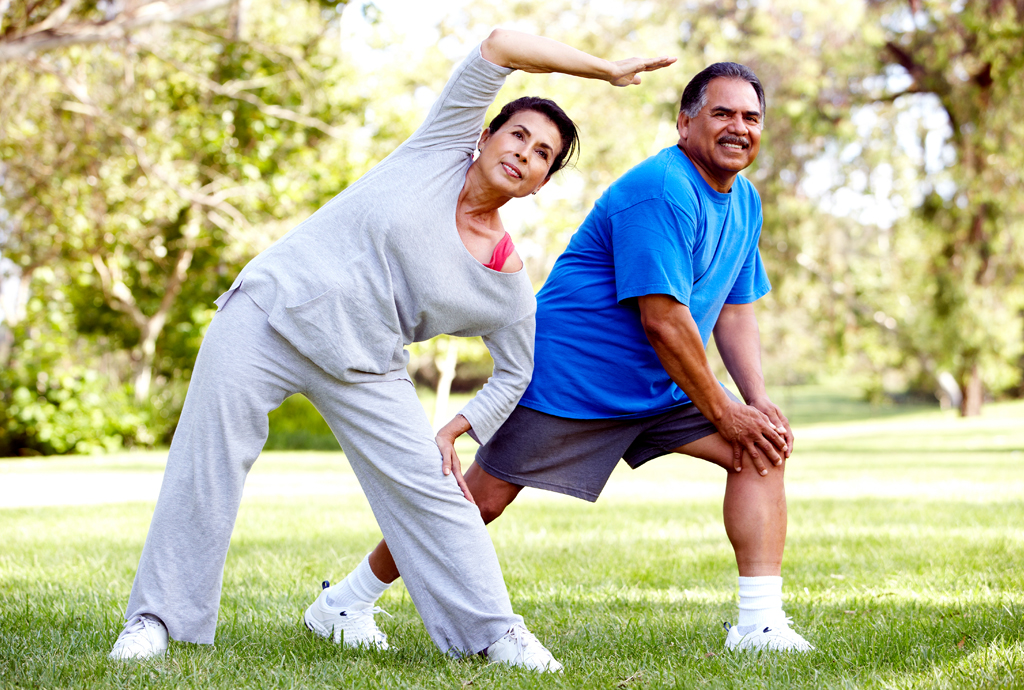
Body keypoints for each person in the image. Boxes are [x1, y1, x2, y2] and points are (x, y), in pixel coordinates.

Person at [107, 29, 675, 670]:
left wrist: (459, 429)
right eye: (517, 134)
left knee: (436, 491)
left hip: (364, 364)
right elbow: (501, 44)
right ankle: (158, 620)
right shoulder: (438, 149)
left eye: (543, 153)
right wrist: (603, 69)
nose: (524, 152)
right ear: (486, 137)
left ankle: (494, 633)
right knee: (207, 464)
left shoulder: (506, 284)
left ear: (541, 183)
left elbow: (517, 372)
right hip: (270, 312)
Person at [343, 61, 813, 654]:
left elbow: (735, 308)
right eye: (721, 113)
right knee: (479, 502)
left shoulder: (743, 201)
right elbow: (663, 319)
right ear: (685, 122)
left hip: (660, 383)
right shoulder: (662, 189)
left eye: (750, 117)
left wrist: (757, 402)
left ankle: (759, 625)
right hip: (569, 379)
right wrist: (723, 410)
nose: (737, 127)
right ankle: (345, 603)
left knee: (759, 448)